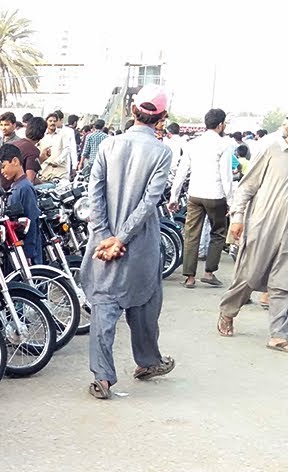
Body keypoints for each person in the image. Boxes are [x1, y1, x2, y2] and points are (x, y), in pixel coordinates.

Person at [81, 85, 176, 399]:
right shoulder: (162, 152)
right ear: (161, 117)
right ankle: (148, 361)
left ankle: (103, 377)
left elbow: (94, 192)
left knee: (104, 306)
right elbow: (150, 202)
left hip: (103, 242)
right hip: (140, 243)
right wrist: (121, 237)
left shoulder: (109, 145)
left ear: (133, 111)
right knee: (145, 301)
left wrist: (106, 235)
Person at [217, 117, 288, 348]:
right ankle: (228, 311)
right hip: (263, 224)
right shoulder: (273, 151)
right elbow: (247, 186)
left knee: (283, 282)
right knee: (249, 274)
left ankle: (278, 334)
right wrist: (237, 217)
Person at [169, 108, 234, 289]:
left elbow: (182, 172)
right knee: (218, 232)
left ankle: (189, 277)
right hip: (216, 196)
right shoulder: (224, 145)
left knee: (191, 234)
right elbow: (226, 176)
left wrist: (174, 196)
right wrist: (231, 201)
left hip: (194, 195)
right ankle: (209, 272)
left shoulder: (192, 144)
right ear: (220, 125)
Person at [0, 144, 42, 264]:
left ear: (15, 161)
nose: (2, 171)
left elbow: (32, 221)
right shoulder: (15, 186)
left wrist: (28, 252)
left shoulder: (25, 188)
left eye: (3, 166)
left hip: (26, 251)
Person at [38, 112, 70, 184]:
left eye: (54, 121)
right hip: (44, 170)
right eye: (50, 121)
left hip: (60, 171)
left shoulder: (63, 134)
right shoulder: (41, 135)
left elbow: (66, 149)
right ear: (46, 122)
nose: (52, 123)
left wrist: (57, 161)